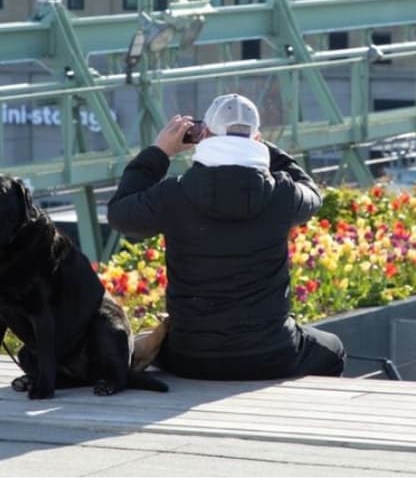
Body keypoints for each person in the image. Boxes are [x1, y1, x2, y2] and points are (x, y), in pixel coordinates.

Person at [107, 93, 345, 380]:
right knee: (333, 349)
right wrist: (261, 147)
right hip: (272, 354)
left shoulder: (173, 194)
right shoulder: (283, 195)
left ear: (203, 134)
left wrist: (159, 152)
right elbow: (312, 193)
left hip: (190, 356)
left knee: (156, 343)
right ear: (256, 140)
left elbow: (120, 213)